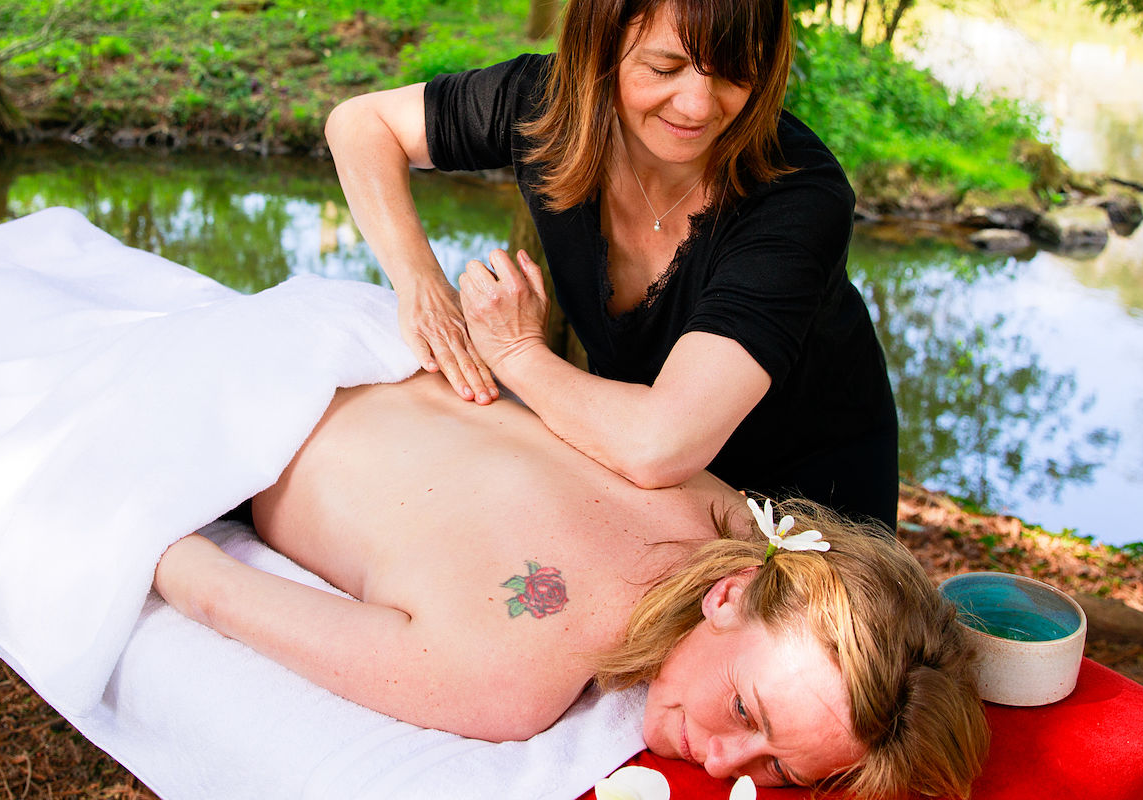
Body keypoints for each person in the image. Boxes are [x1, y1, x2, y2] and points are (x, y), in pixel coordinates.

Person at [153, 370, 987, 798]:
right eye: (745, 712)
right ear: (727, 599)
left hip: (355, 338)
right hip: (222, 408)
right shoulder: (510, 676)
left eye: (777, 773)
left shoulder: (742, 524)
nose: (726, 761)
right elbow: (208, 589)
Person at [325, 0, 900, 527]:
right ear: (601, 47)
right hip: (633, 469)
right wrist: (419, 280)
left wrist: (516, 352)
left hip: (808, 513)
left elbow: (660, 444)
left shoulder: (799, 196)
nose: (699, 105)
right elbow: (360, 125)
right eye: (664, 67)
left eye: (733, 69)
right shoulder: (540, 102)